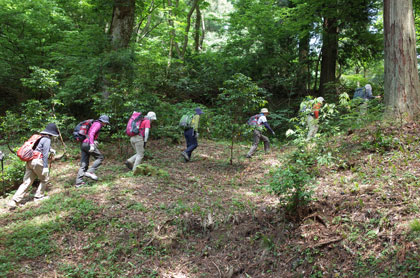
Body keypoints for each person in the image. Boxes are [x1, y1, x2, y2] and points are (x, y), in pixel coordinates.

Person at [8, 123, 59, 208]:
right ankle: (39, 197)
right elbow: (45, 154)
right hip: (38, 161)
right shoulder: (47, 139)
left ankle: (15, 200)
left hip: (30, 161)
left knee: (27, 182)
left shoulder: (39, 138)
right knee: (44, 179)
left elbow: (38, 148)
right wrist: (45, 167)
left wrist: (51, 149)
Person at [75, 115, 110, 187]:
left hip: (83, 144)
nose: (105, 124)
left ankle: (78, 183)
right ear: (103, 121)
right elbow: (91, 133)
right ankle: (90, 172)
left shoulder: (94, 123)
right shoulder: (98, 124)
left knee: (84, 164)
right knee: (100, 157)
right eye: (105, 123)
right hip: (88, 143)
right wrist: (91, 144)